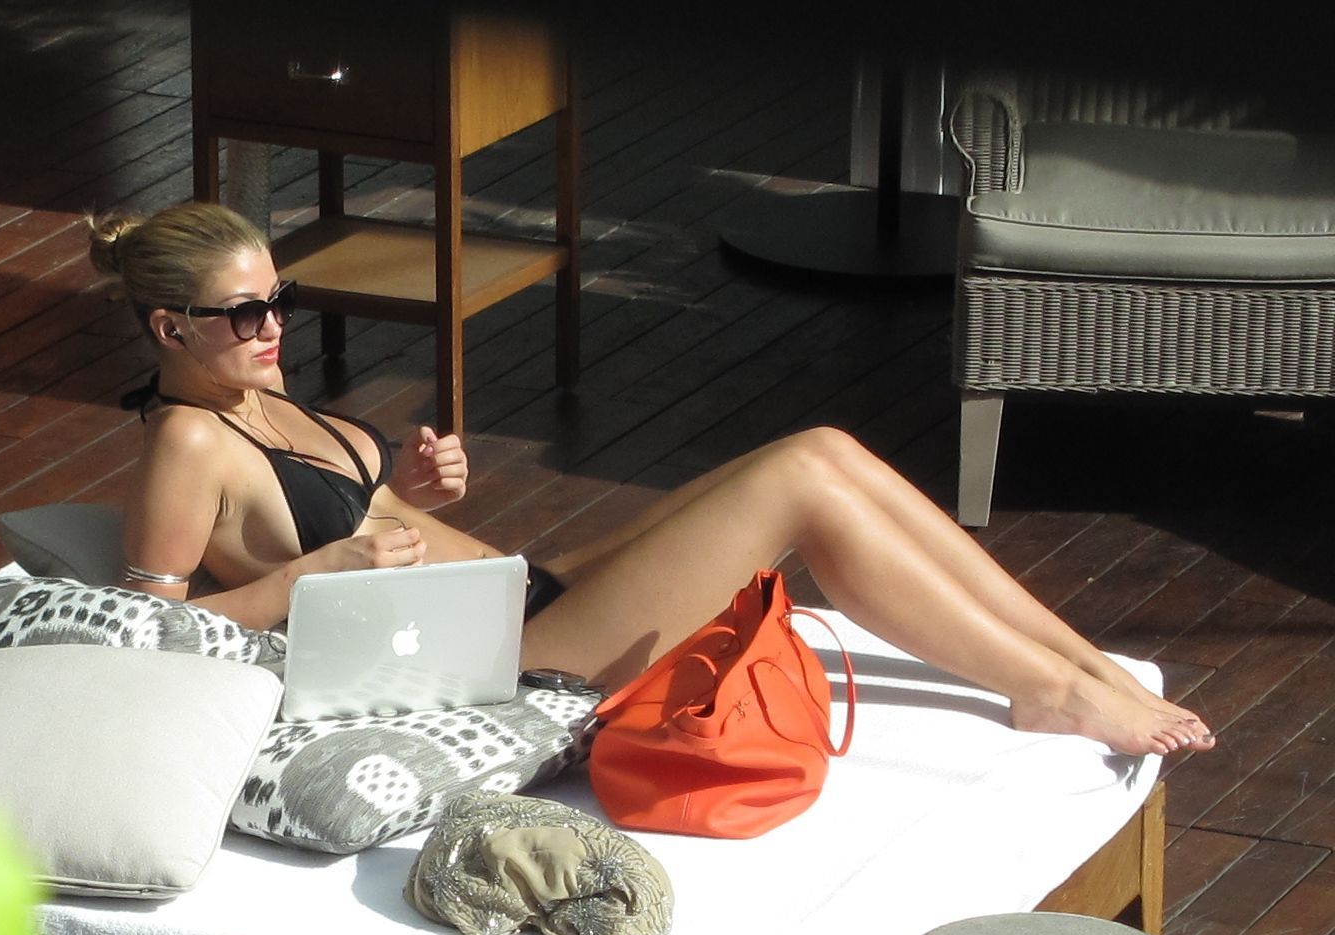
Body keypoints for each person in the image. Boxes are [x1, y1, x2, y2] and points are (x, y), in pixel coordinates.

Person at [86, 201, 1215, 758]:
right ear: (168, 327)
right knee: (800, 484)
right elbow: (147, 633)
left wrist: (412, 493)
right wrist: (319, 571)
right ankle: (1051, 691)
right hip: (502, 660)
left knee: (827, 446)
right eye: (244, 313)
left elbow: (331, 514)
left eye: (278, 301)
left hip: (523, 589)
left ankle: (1072, 656)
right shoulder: (185, 443)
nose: (271, 326)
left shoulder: (254, 391)